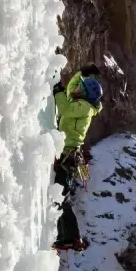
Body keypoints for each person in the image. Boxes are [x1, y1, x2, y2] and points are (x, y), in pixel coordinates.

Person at [51, 63, 103, 251]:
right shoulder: (82, 103)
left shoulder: (83, 107)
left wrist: (57, 92)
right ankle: (65, 237)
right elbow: (72, 89)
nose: (77, 88)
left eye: (81, 88)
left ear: (85, 95)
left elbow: (64, 108)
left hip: (68, 154)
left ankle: (72, 238)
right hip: (67, 154)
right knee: (59, 196)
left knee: (61, 197)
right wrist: (81, 73)